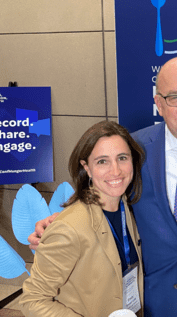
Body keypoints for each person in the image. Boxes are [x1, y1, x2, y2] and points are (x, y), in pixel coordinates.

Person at [28, 56, 177, 317]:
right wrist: (59, 222)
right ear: (159, 103)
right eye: (175, 98)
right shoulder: (132, 150)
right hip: (148, 302)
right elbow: (105, 197)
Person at [21, 121, 145, 317]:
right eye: (102, 161)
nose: (116, 171)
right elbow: (33, 300)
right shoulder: (68, 228)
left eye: (122, 158)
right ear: (86, 168)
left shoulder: (127, 206)